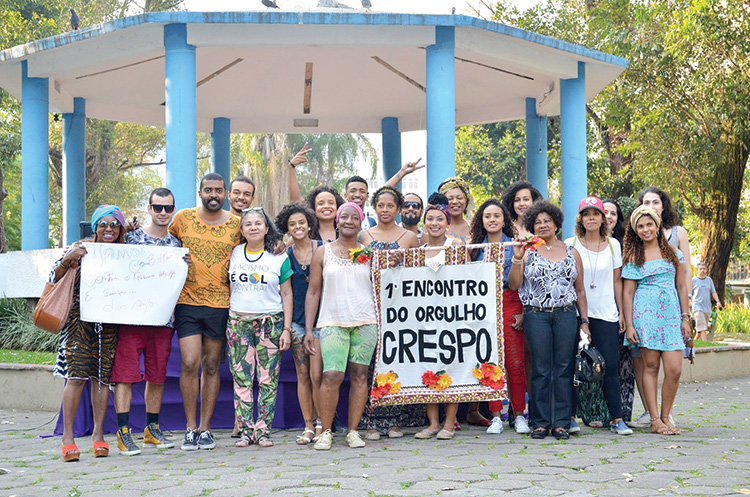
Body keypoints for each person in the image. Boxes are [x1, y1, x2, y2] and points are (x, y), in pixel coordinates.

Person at [169, 173, 242, 451]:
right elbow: (162, 244)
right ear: (200, 192)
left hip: (222, 304)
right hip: (187, 301)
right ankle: (189, 427)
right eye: (208, 190)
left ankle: (205, 428)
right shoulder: (183, 218)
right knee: (189, 362)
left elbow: (260, 243)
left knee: (212, 365)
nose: (213, 194)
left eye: (218, 190)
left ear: (225, 194)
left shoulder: (237, 225)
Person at [508, 201, 590, 440]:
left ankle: (562, 422)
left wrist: (583, 322)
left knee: (564, 368)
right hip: (536, 315)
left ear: (556, 223)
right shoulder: (528, 251)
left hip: (566, 314)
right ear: (532, 226)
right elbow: (514, 284)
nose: (542, 225)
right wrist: (517, 258)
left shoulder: (571, 251)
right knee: (541, 369)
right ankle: (541, 422)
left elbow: (581, 290)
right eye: (537, 222)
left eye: (547, 221)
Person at [112, 189, 183, 456]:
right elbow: (102, 249)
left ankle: (151, 429)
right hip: (131, 319)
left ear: (173, 209)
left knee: (157, 375)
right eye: (158, 207)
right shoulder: (129, 239)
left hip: (163, 321)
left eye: (168, 208)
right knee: (126, 375)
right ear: (149, 208)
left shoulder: (177, 246)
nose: (163, 213)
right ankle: (123, 432)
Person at [53, 204, 126, 462]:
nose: (109, 229)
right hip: (78, 323)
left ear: (120, 228)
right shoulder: (79, 248)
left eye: (114, 224)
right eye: (103, 224)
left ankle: (98, 435)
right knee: (76, 377)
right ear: (95, 227)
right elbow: (53, 277)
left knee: (102, 378)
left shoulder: (126, 253)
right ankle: (68, 438)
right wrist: (66, 259)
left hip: (109, 323)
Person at [304, 202, 378, 450]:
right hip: (332, 322)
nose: (348, 221)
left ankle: (353, 431)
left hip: (365, 322)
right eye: (343, 217)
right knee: (332, 375)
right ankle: (325, 431)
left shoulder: (369, 253)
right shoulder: (323, 253)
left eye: (354, 217)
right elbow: (313, 292)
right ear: (337, 221)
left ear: (360, 223)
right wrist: (308, 329)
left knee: (360, 376)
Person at [358, 186, 424, 440]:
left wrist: (401, 265)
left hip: (400, 310)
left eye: (390, 206)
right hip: (368, 306)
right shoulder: (363, 236)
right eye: (381, 206)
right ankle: (370, 421)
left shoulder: (409, 237)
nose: (385, 210)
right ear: (375, 208)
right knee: (370, 365)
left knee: (396, 361)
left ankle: (393, 420)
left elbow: (418, 278)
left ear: (398, 209)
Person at [564, 197, 632, 436]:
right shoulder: (570, 243)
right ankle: (571, 417)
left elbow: (617, 282)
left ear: (603, 218)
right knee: (574, 366)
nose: (591, 218)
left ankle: (616, 418)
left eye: (596, 214)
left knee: (609, 366)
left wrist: (622, 313)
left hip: (606, 314)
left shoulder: (613, 245)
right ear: (580, 219)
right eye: (586, 214)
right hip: (574, 314)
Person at [622, 206, 691, 435]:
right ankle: (654, 419)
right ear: (635, 230)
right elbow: (628, 293)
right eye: (640, 226)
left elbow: (681, 286)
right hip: (645, 316)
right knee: (650, 367)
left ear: (657, 225)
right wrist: (630, 324)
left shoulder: (673, 253)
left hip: (671, 316)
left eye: (649, 224)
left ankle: (666, 415)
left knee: (674, 370)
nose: (645, 229)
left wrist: (685, 318)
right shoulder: (634, 256)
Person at [227, 207, 293, 448]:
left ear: (267, 228)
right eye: (248, 224)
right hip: (238, 323)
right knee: (242, 379)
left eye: (258, 223)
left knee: (268, 379)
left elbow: (286, 293)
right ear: (242, 230)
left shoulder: (279, 256)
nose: (253, 227)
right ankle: (245, 430)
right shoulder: (233, 253)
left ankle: (263, 430)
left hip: (270, 323)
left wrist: (286, 329)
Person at [469, 198, 530, 435]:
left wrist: (523, 311)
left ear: (504, 219)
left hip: (510, 303)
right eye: (487, 216)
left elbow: (519, 284)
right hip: (483, 309)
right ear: (481, 221)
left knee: (515, 364)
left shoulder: (514, 245)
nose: (492, 220)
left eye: (496, 215)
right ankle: (495, 415)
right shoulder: (474, 249)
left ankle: (519, 415)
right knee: (489, 363)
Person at [274, 202, 325, 444]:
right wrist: (287, 327)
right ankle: (308, 425)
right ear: (286, 227)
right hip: (296, 323)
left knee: (318, 375)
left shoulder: (324, 248)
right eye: (292, 224)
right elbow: (287, 294)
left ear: (309, 224)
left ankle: (322, 423)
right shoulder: (284, 256)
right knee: (302, 374)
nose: (297, 227)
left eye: (301, 222)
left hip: (323, 321)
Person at [413, 194, 462, 440]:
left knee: (450, 368)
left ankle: (450, 423)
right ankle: (432, 423)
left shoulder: (457, 247)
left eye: (439, 219)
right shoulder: (418, 251)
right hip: (424, 320)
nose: (434, 223)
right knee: (429, 368)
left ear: (447, 223)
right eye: (429, 218)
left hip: (452, 318)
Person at [692, 262, 722, 341]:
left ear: (706, 270)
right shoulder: (693, 280)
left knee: (702, 327)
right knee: (702, 326)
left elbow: (713, 292)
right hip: (697, 306)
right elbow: (689, 294)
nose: (702, 270)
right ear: (697, 270)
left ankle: (695, 341)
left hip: (707, 307)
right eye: (700, 269)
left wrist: (718, 301)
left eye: (704, 269)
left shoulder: (709, 280)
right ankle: (706, 343)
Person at [438, 177, 472, 241]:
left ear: (466, 201)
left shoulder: (475, 227)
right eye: (450, 199)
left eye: (459, 198)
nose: (455, 202)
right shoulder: (436, 228)